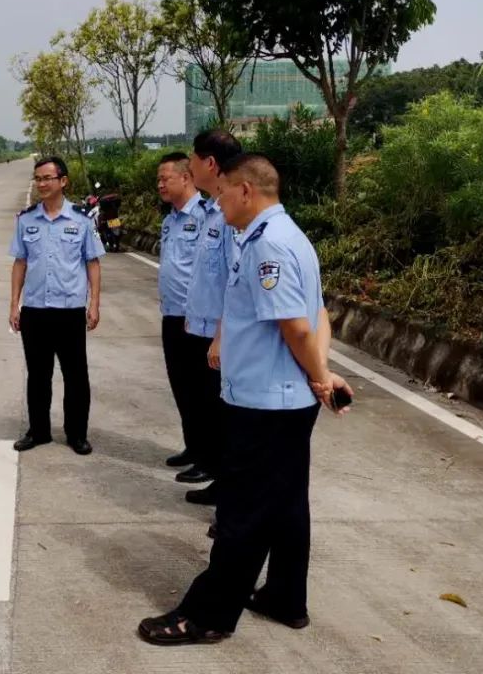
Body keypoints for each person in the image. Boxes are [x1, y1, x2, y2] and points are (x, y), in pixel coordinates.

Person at [137, 153, 353, 646]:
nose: (218, 202)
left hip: (264, 404)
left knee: (242, 513)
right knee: (287, 504)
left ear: (245, 192)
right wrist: (321, 375)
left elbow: (297, 326)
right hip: (286, 400)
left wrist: (320, 376)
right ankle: (284, 597)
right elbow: (319, 314)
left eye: (221, 193)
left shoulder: (266, 246)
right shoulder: (292, 236)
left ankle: (208, 615)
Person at [9, 156, 104, 455]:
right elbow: (20, 262)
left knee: (76, 375)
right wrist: (14, 304)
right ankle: (38, 431)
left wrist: (95, 303)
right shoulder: (26, 220)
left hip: (69, 310)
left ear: (63, 181)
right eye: (38, 178)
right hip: (35, 310)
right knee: (38, 375)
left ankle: (77, 433)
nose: (42, 184)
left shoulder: (81, 220)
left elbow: (93, 263)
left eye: (48, 178)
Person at [179, 130, 243, 508]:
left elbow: (235, 281)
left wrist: (221, 337)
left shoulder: (232, 214)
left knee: (226, 419)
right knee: (212, 414)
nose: (189, 165)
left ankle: (231, 498)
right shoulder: (214, 210)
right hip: (201, 330)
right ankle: (222, 485)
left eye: (193, 159)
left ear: (210, 164)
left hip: (221, 336)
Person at [154, 152, 211, 485]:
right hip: (171, 316)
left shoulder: (206, 217)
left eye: (166, 178)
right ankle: (193, 447)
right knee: (181, 387)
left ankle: (208, 458)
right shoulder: (169, 220)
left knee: (203, 391)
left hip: (198, 319)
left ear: (186, 177)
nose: (160, 184)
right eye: (158, 180)